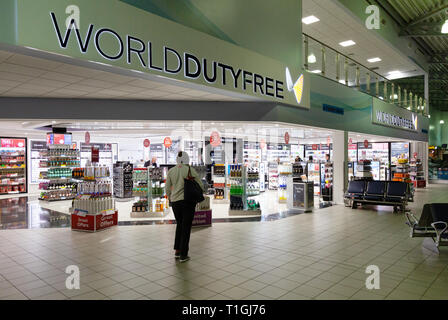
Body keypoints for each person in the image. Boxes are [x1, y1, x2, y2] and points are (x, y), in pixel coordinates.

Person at [165, 151, 204, 263]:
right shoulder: (190, 170)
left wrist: (170, 198)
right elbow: (200, 185)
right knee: (186, 227)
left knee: (180, 225)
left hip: (175, 203)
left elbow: (167, 188)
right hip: (187, 202)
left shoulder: (171, 171)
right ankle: (183, 254)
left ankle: (177, 250)